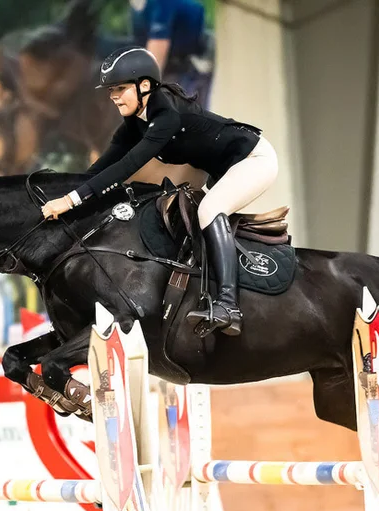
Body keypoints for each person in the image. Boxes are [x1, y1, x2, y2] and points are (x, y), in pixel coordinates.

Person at [40, 47, 279, 338]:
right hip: (213, 167)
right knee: (169, 205)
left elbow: (127, 166)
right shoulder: (135, 122)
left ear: (144, 86)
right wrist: (65, 190)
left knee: (208, 210)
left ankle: (229, 306)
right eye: (110, 90)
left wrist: (71, 200)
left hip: (252, 160)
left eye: (119, 88)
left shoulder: (166, 117)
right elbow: (102, 166)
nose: (113, 95)